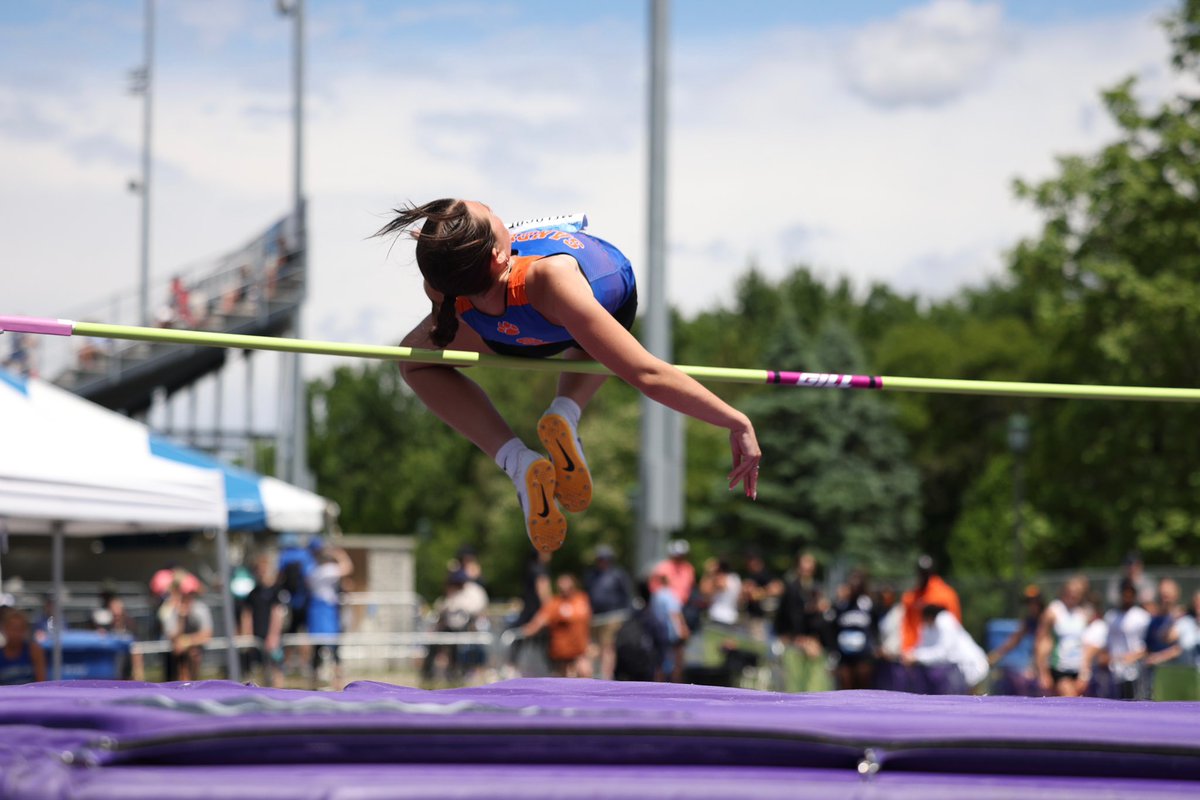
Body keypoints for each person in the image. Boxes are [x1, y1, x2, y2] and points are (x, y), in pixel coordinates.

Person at [377, 201, 761, 553]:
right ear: (498, 255)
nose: (499, 213)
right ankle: (565, 410)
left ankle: (516, 460)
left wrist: (439, 253)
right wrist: (734, 419)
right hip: (581, 311)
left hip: (504, 332)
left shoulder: (442, 284)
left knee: (414, 362)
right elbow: (646, 373)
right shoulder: (551, 277)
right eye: (492, 214)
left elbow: (455, 292)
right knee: (603, 340)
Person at [905, 603, 989, 694]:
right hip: (959, 673)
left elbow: (943, 653)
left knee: (975, 704)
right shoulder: (930, 625)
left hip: (973, 670)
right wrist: (912, 653)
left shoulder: (944, 621)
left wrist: (916, 656)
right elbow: (924, 645)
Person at [522, 574, 592, 678]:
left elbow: (588, 623)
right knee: (563, 680)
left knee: (585, 673)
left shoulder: (582, 599)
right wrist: (526, 630)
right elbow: (539, 621)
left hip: (579, 650)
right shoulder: (554, 603)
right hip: (561, 653)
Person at [306, 540, 354, 688]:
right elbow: (348, 567)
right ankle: (337, 678)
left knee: (318, 646)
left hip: (317, 609)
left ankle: (314, 677)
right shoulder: (324, 571)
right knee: (333, 645)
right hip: (325, 610)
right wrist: (339, 554)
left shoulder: (312, 570)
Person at [583, 544, 633, 680]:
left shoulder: (618, 575)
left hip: (612, 616)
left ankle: (606, 676)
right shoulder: (591, 576)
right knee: (594, 647)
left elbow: (627, 595)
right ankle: (593, 675)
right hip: (595, 618)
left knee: (607, 647)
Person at [1035, 575, 1091, 697]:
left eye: (1077, 593)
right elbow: (1042, 641)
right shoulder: (1054, 611)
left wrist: (1085, 673)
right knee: (1070, 698)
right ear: (1064, 591)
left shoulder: (1082, 614)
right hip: (1058, 668)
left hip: (1076, 668)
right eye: (1070, 592)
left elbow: (1084, 645)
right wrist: (1042, 672)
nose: (1073, 596)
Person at [987, 584, 1046, 696]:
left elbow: (1044, 644)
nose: (1031, 606)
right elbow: (1015, 639)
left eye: (1034, 602)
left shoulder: (1048, 617)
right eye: (1028, 603)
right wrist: (997, 654)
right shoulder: (1029, 620)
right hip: (1038, 662)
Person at [238, 555, 286, 689]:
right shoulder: (253, 593)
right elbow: (247, 614)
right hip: (256, 636)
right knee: (258, 669)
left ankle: (279, 694)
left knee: (276, 668)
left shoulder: (275, 591)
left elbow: (277, 613)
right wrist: (246, 634)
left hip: (271, 635)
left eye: (264, 570)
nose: (261, 573)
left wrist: (273, 635)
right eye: (258, 570)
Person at [900, 555, 961, 656]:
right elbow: (907, 625)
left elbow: (954, 623)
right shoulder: (910, 597)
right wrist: (906, 648)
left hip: (939, 649)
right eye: (922, 573)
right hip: (916, 648)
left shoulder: (945, 594)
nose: (924, 576)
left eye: (926, 573)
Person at [1105, 578, 1152, 700]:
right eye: (1124, 594)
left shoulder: (1142, 617)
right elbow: (1106, 643)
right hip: (1114, 671)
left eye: (1130, 594)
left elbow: (1149, 644)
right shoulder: (1111, 617)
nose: (1127, 597)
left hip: (1135, 671)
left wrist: (1135, 656)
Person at [831, 569, 877, 690]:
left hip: (863, 653)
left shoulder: (868, 604)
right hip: (844, 653)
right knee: (846, 682)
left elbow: (874, 627)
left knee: (862, 682)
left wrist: (874, 647)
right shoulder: (841, 605)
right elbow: (832, 626)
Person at [158, 584, 213, 681]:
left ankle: (191, 682)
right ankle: (180, 682)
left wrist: (187, 642)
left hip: (193, 646)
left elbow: (206, 635)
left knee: (194, 653)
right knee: (178, 652)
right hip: (173, 647)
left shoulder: (201, 608)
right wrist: (181, 619)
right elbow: (172, 636)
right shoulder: (169, 609)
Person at [648, 572, 689, 682]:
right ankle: (676, 686)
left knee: (660, 662)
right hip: (672, 632)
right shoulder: (670, 595)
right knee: (677, 662)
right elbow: (674, 613)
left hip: (658, 632)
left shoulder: (656, 595)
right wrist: (681, 629)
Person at [0, 609, 46, 685]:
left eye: (19, 629)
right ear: (4, 629)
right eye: (12, 629)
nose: (16, 633)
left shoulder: (34, 651)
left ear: (25, 630)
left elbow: (41, 684)